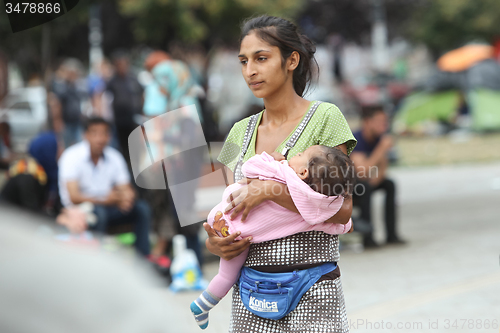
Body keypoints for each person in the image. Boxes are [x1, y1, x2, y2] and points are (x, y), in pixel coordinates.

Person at [203, 15, 357, 333]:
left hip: (312, 287)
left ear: (291, 60)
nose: (251, 71)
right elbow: (231, 209)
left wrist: (269, 190)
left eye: (262, 58)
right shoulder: (237, 133)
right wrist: (216, 243)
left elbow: (343, 211)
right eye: (244, 61)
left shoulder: (326, 117)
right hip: (250, 293)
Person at [191, 146, 354, 329]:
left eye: (300, 154)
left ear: (303, 171)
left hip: (227, 220)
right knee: (226, 276)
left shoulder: (283, 171)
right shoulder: (314, 205)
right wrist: (346, 226)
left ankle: (202, 306)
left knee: (226, 275)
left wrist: (271, 158)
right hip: (236, 229)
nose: (295, 154)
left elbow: (250, 167)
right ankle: (202, 306)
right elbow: (338, 221)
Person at [57, 117, 151, 257]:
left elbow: (126, 188)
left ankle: (143, 260)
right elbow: (74, 197)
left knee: (141, 209)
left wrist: (126, 198)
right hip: (80, 210)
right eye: (95, 133)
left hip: (109, 207)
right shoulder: (71, 156)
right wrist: (110, 199)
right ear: (85, 135)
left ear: (109, 136)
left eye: (104, 134)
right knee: (99, 213)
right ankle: (98, 261)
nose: (100, 139)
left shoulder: (114, 156)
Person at [350, 105, 406, 248]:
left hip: (365, 183)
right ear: (367, 122)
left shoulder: (378, 139)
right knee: (365, 186)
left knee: (389, 184)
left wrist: (376, 179)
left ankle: (391, 235)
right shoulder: (356, 139)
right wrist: (381, 148)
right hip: (347, 187)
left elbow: (382, 171)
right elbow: (361, 172)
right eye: (380, 121)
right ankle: (368, 238)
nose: (384, 126)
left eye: (385, 122)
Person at [106, 51, 144, 166]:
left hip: (134, 119)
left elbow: (142, 94)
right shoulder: (112, 81)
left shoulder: (133, 79)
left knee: (136, 145)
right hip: (120, 120)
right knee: (123, 146)